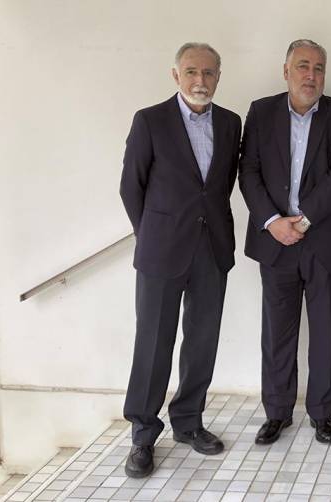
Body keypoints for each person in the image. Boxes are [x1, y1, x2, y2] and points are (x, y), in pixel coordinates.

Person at [119, 42, 241, 478]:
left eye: (209, 73)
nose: (200, 81)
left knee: (202, 340)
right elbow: (131, 187)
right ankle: (142, 435)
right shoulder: (150, 121)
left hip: (211, 250)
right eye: (192, 72)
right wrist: (154, 232)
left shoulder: (230, 123)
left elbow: (220, 186)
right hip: (161, 251)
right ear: (176, 75)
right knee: (153, 344)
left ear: (218, 77)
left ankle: (188, 422)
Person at [238, 39, 331, 445]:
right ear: (286, 70)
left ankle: (323, 414)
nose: (312, 75)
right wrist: (273, 222)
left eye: (319, 68)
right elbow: (248, 171)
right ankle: (277, 413)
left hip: (324, 238)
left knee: (327, 333)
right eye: (304, 66)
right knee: (277, 332)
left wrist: (302, 221)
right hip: (276, 241)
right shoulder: (261, 111)